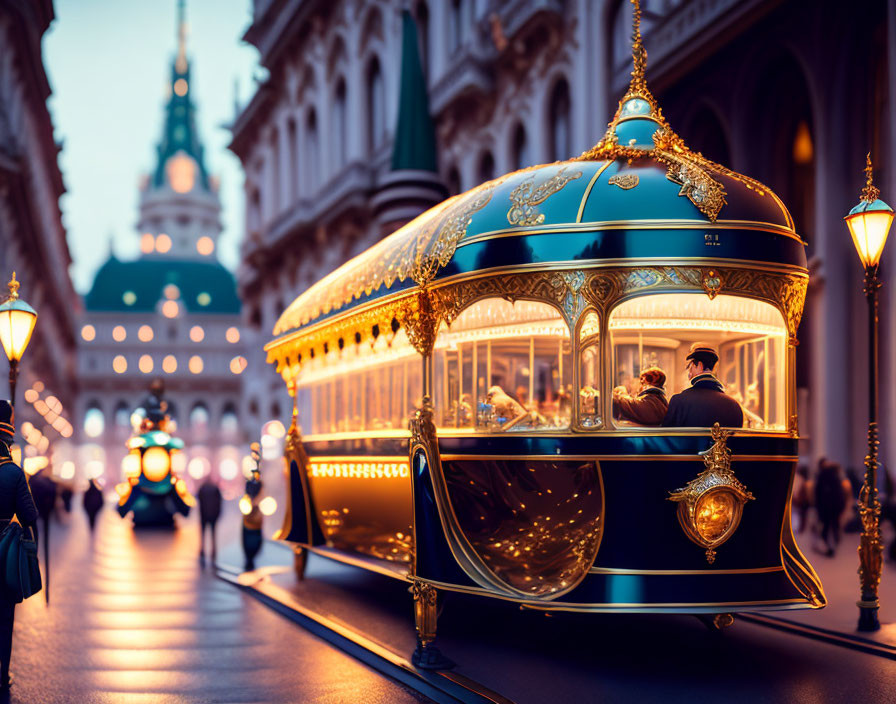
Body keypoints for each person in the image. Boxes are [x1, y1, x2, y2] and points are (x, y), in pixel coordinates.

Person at [0, 400, 38, 691]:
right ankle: (2, 676)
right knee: (4, 616)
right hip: (3, 555)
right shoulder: (14, 473)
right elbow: (29, 515)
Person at [662, 343, 744, 428]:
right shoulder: (734, 405)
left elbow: (666, 436)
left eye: (691, 367)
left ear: (699, 366)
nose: (689, 373)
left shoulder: (679, 401)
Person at [814, 459, 849, 557]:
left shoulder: (821, 477)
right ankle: (832, 546)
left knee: (826, 527)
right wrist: (841, 508)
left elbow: (818, 495)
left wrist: (819, 509)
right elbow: (840, 495)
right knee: (834, 527)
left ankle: (828, 546)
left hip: (825, 508)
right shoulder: (836, 478)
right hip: (834, 508)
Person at [197, 475, 222, 564]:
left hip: (204, 515)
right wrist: (218, 514)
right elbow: (219, 502)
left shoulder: (202, 488)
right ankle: (213, 551)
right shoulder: (215, 489)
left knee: (203, 534)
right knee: (213, 534)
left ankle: (202, 550)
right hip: (213, 516)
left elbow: (199, 500)